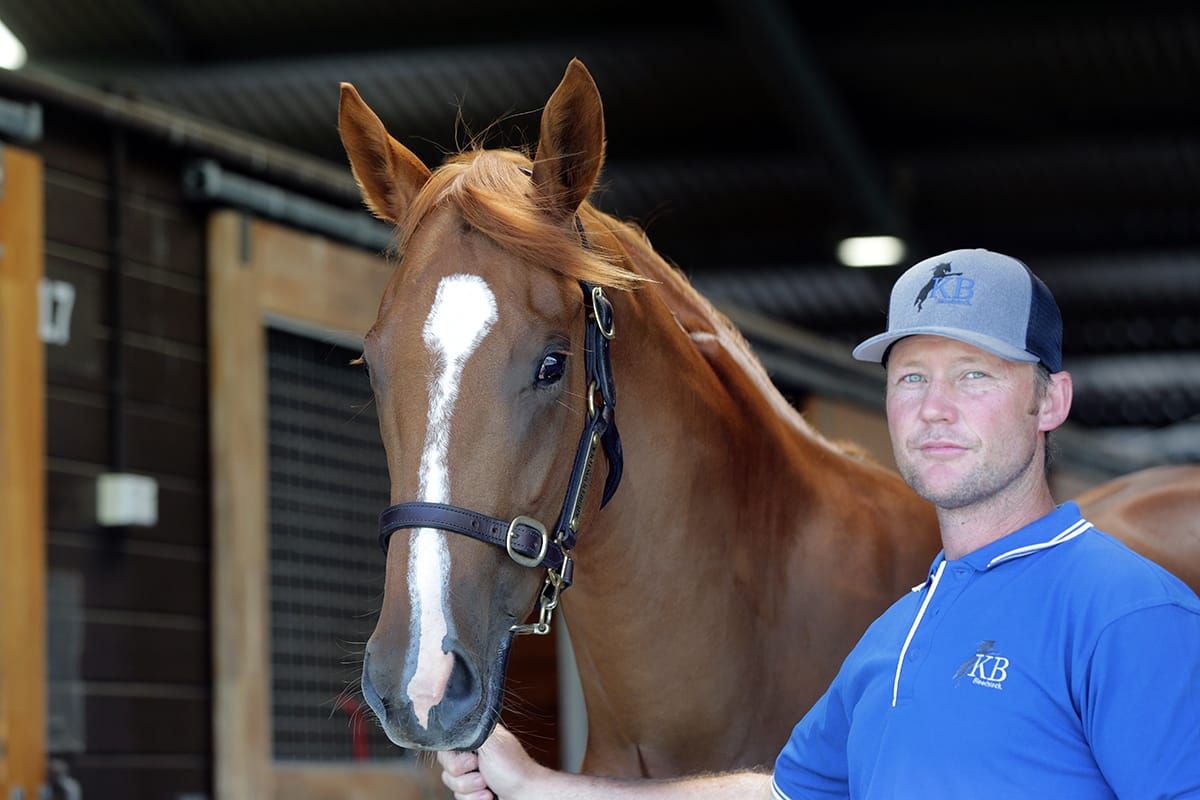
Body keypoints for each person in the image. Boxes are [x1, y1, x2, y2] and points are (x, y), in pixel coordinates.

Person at [438, 249, 1200, 799]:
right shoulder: (896, 636)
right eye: (912, 378)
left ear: (1051, 402)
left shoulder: (1130, 611)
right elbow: (774, 798)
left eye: (976, 375)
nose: (935, 407)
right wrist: (538, 785)